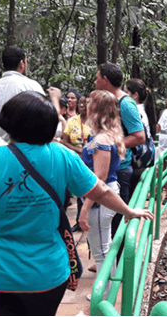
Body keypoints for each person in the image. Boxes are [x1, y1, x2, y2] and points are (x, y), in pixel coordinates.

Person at [0, 91, 153, 317]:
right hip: (47, 274)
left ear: (8, 121)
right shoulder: (60, 155)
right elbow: (100, 189)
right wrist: (128, 210)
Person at [94, 63, 145, 262]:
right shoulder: (105, 101)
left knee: (117, 223)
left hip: (120, 171)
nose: (95, 81)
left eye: (97, 77)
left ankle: (117, 268)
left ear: (105, 80)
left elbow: (139, 136)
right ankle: (106, 262)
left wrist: (111, 148)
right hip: (104, 169)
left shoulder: (125, 103)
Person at [78, 90, 126, 301]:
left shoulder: (101, 140)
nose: (85, 106)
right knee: (105, 248)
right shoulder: (107, 136)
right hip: (103, 197)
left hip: (99, 200)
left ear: (94, 109)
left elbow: (100, 178)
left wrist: (85, 208)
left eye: (89, 103)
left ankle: (103, 297)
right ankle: (107, 292)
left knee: (101, 251)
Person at [0, 46, 45, 142]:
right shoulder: (32, 86)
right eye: (26, 62)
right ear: (22, 64)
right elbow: (45, 119)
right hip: (27, 149)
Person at [63, 93, 91, 232]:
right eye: (80, 103)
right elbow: (64, 141)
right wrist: (78, 150)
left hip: (91, 162)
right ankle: (79, 222)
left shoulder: (96, 122)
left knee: (90, 189)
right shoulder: (72, 122)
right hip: (75, 160)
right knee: (79, 191)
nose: (82, 105)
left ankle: (89, 219)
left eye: (85, 103)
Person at [124, 78, 158, 193]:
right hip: (144, 158)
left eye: (126, 93)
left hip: (137, 158)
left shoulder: (133, 111)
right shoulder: (145, 109)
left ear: (135, 95)